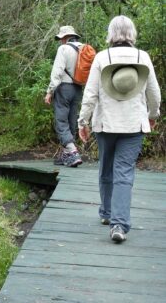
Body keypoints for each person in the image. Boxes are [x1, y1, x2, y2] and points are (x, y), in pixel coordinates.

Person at [78, 15, 161, 242]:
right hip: (134, 124)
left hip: (106, 124)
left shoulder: (102, 57)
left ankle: (107, 213)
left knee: (106, 167)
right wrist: (152, 116)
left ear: (111, 34)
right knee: (124, 173)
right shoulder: (142, 57)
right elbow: (154, 93)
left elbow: (91, 94)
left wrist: (82, 122)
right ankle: (119, 225)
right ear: (131, 33)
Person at [44, 26, 84, 167]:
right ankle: (66, 156)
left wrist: (50, 91)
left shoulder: (64, 49)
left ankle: (72, 151)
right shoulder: (83, 48)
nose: (60, 41)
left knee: (61, 121)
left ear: (64, 38)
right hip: (78, 89)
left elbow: (57, 72)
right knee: (71, 120)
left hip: (64, 88)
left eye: (61, 38)